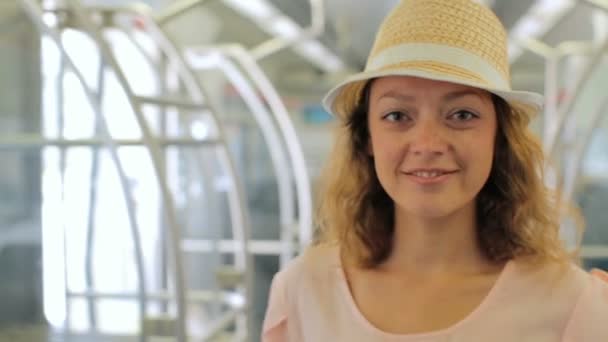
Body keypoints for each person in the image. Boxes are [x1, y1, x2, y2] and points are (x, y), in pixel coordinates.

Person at [262, 0, 608, 341]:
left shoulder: (573, 305)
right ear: (366, 137)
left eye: (461, 115)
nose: (427, 144)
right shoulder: (302, 293)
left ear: (498, 137)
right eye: (397, 116)